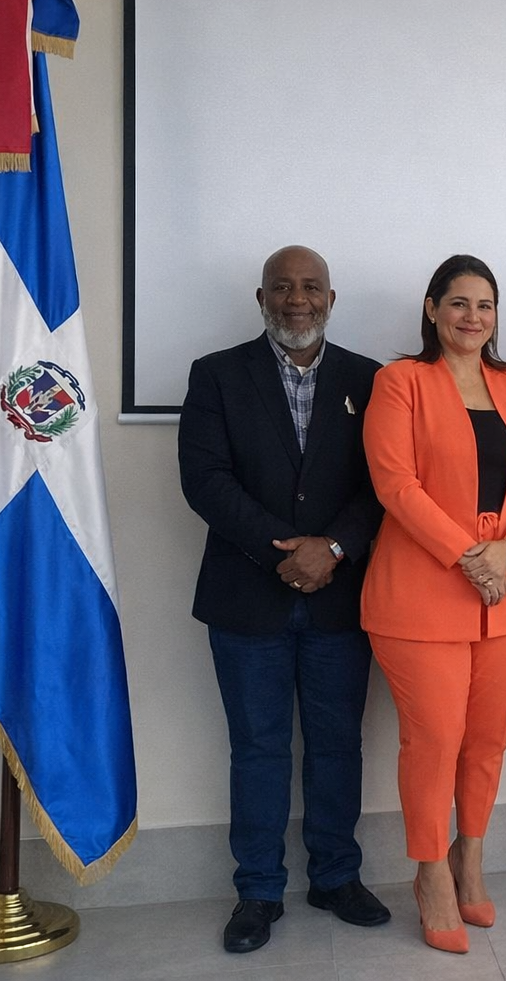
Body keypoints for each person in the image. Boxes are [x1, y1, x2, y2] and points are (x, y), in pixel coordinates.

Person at [178, 245, 390, 954]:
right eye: (282, 287)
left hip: (341, 597)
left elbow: (384, 483)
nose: (297, 300)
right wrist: (287, 552)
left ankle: (336, 877)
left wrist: (333, 548)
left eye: (310, 287)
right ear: (260, 297)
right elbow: (206, 481)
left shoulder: (370, 379)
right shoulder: (216, 375)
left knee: (337, 744)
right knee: (258, 747)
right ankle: (259, 890)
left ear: (332, 297)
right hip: (247, 596)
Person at [361, 254, 506, 955]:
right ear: (431, 308)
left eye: (485, 305)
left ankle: (468, 858)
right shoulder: (400, 382)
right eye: (458, 303)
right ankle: (429, 874)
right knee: (435, 740)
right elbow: (395, 482)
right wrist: (469, 554)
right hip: (420, 597)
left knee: (487, 740)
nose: (473, 317)